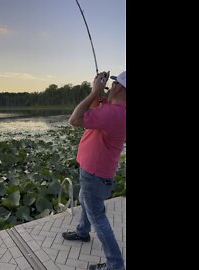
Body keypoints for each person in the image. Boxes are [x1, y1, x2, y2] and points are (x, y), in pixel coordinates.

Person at [64, 71, 126, 270]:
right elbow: (98, 110)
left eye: (114, 83)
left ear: (119, 88)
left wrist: (93, 92)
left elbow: (74, 120)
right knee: (85, 198)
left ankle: (115, 264)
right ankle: (83, 231)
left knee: (98, 216)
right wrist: (98, 95)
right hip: (97, 171)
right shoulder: (117, 110)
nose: (111, 85)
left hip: (94, 173)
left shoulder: (112, 113)